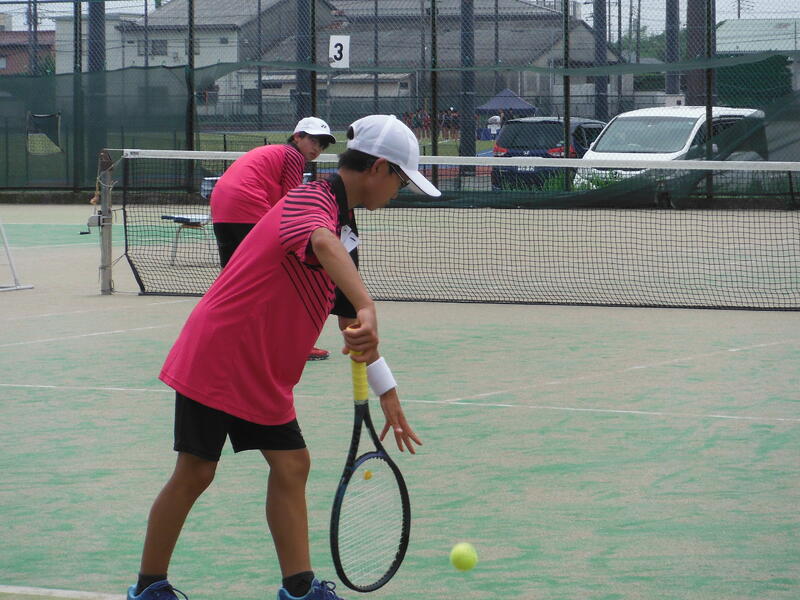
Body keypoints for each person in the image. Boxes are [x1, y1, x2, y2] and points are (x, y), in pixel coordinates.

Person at [126, 114, 441, 600]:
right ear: (379, 168)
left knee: (292, 465)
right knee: (196, 471)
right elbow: (319, 242)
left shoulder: (347, 232)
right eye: (401, 180)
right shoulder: (311, 198)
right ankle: (149, 587)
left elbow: (351, 326)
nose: (399, 191)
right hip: (223, 352)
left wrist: (388, 393)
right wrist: (368, 303)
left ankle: (299, 588)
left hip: (264, 370)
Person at [210, 116, 336, 361]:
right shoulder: (293, 156)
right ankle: (292, 344)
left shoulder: (275, 153)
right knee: (285, 278)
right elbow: (290, 205)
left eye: (322, 145)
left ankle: (220, 339)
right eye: (313, 141)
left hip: (222, 208)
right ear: (297, 137)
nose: (317, 149)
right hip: (246, 208)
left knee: (231, 280)